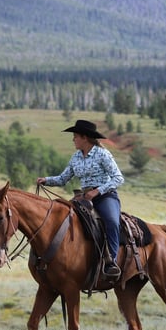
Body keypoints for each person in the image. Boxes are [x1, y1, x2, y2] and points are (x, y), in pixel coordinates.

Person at [37, 119, 124, 280]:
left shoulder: (103, 154)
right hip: (83, 197)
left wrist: (97, 191)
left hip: (105, 196)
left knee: (112, 221)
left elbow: (118, 178)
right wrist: (46, 180)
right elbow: (63, 178)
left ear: (85, 138)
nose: (73, 139)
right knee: (63, 220)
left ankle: (111, 262)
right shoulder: (75, 157)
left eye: (75, 136)